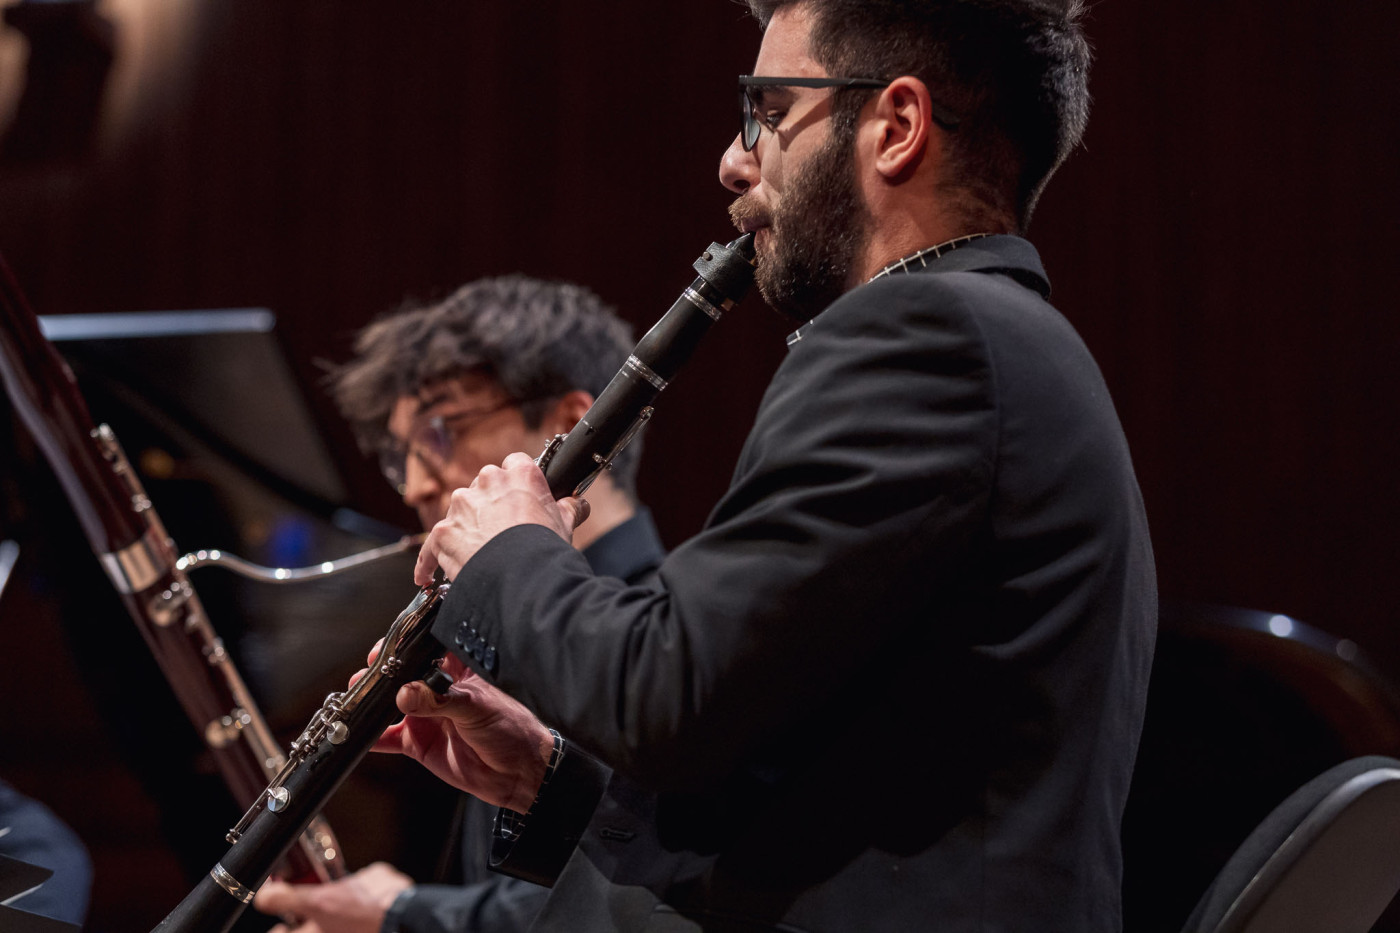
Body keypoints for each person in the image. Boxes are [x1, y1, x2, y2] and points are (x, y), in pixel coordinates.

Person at [380, 0, 1157, 930]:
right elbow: (831, 793)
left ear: (897, 126)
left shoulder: (926, 336)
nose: (734, 159)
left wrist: (509, 551)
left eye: (771, 111)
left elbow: (665, 697)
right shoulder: (1003, 344)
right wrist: (556, 785)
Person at [252, 276, 665, 933]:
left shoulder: (662, 637)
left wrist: (400, 917)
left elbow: (657, 890)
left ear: (568, 423)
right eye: (401, 457)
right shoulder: (487, 631)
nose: (415, 485)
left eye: (440, 434)